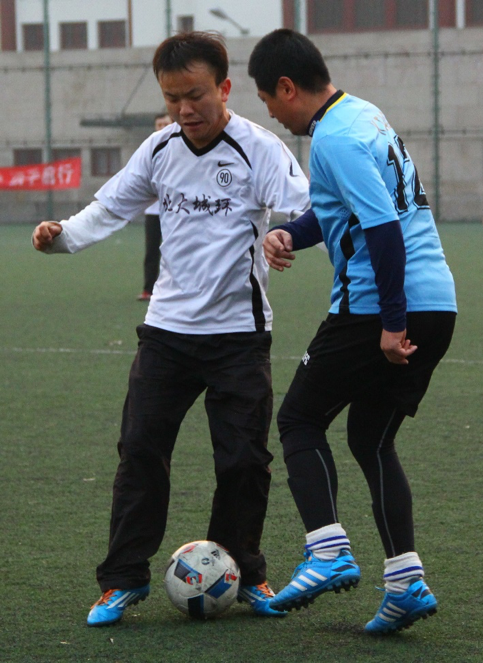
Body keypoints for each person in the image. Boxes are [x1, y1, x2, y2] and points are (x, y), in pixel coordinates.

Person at [32, 31, 310, 627]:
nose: (185, 109)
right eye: (173, 98)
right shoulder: (158, 149)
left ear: (224, 89)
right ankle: (123, 579)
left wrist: (287, 235)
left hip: (239, 335)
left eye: (195, 95)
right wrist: (63, 237)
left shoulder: (259, 149)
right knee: (140, 451)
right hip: (166, 333)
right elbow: (111, 206)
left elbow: (306, 206)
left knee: (243, 461)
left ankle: (245, 571)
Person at [248, 29, 457, 634]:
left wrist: (391, 323)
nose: (271, 113)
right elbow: (342, 210)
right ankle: (406, 583)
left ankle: (327, 550)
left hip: (377, 309)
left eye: (268, 100)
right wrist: (290, 231)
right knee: (370, 438)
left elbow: (383, 228)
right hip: (437, 302)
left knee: (298, 419)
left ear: (287, 87)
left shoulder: (334, 138)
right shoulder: (362, 114)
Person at [137, 112, 172, 301]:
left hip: (175, 211)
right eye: (159, 125)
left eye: (165, 124)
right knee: (151, 251)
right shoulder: (149, 151)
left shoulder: (181, 150)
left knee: (175, 250)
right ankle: (148, 289)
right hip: (153, 212)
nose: (162, 128)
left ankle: (175, 289)